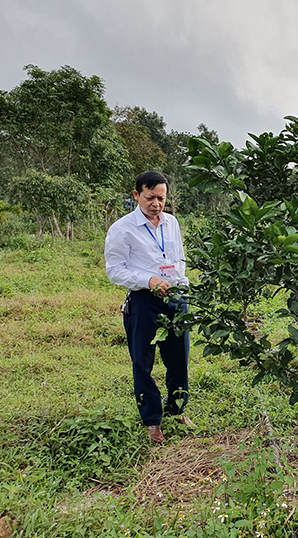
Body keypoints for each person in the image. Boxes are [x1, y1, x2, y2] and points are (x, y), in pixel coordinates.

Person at [105, 171, 195, 443]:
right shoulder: (122, 229)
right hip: (144, 302)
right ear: (136, 196)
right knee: (143, 363)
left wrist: (179, 283)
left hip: (175, 299)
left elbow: (178, 258)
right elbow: (115, 270)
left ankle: (177, 409)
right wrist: (149, 280)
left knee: (179, 359)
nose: (156, 203)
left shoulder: (171, 223)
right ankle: (152, 422)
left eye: (161, 198)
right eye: (150, 198)